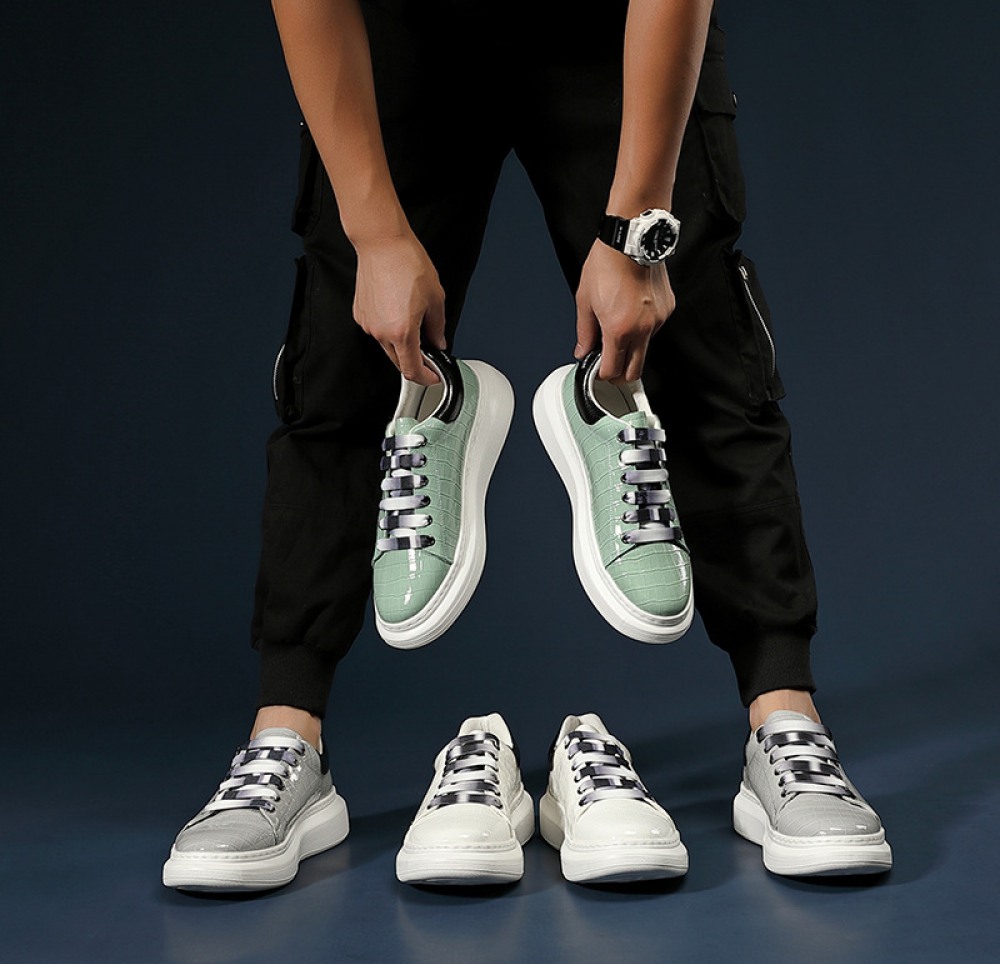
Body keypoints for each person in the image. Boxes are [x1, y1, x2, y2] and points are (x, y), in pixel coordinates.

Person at [162, 0, 891, 891]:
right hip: (405, 28)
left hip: (611, 23)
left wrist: (635, 231)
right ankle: (287, 741)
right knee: (344, 364)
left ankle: (786, 724)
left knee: (699, 354)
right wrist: (376, 235)